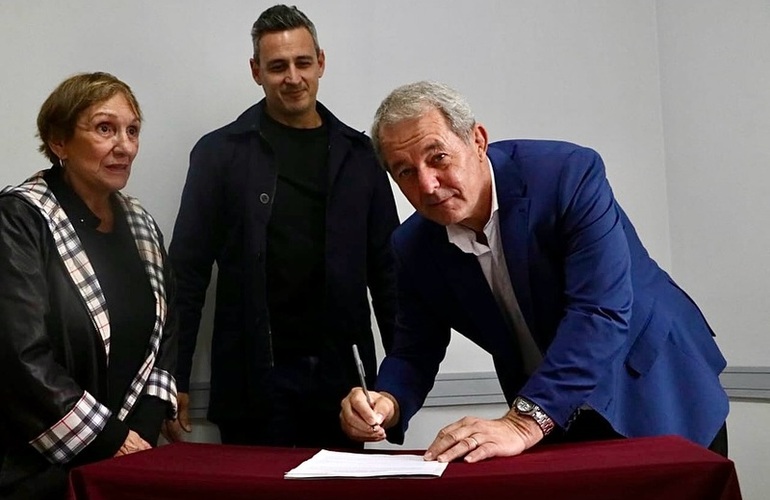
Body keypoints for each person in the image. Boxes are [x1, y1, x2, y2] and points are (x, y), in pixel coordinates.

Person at [340, 81, 730, 462]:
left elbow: (598, 312)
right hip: (553, 409)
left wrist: (523, 422)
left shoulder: (567, 174)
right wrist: (386, 402)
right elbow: (414, 350)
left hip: (655, 383)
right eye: (405, 172)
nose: (426, 184)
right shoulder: (413, 246)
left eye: (437, 157)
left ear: (477, 140)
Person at [165, 4, 398, 448]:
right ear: (256, 71)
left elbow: (389, 275)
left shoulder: (360, 155)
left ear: (321, 63)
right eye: (277, 66)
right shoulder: (219, 154)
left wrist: (398, 385)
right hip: (253, 384)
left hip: (344, 385)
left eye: (303, 63)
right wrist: (173, 377)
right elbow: (186, 275)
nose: (293, 77)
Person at [0, 72, 177, 499]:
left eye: (132, 130)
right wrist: (111, 441)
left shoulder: (141, 223)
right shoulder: (20, 218)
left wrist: (140, 434)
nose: (125, 146)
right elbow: (20, 358)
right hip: (35, 473)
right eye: (105, 129)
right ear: (58, 141)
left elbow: (166, 335)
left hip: (128, 462)